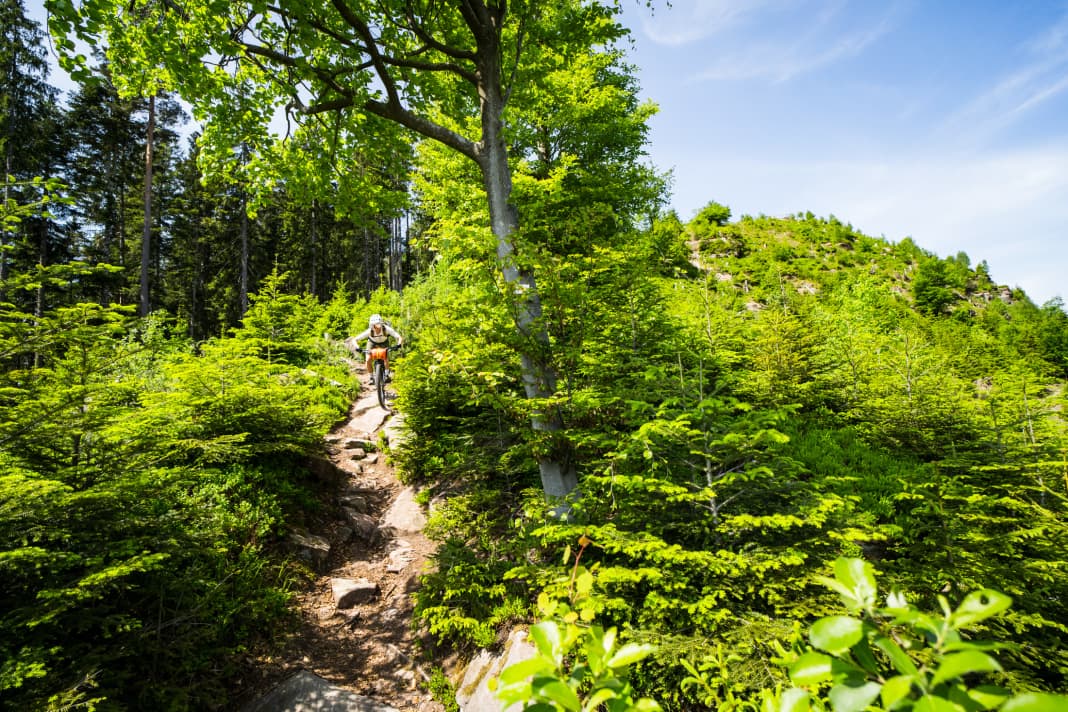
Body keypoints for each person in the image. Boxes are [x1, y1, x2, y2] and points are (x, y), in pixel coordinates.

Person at [347, 314, 403, 384]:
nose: (377, 326)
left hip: (384, 343)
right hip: (372, 343)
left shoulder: (386, 329)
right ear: (372, 325)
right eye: (375, 324)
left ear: (381, 323)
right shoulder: (369, 331)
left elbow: (399, 337)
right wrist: (357, 347)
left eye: (378, 324)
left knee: (385, 358)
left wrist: (399, 344)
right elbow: (355, 339)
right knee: (368, 360)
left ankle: (386, 375)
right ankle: (371, 377)